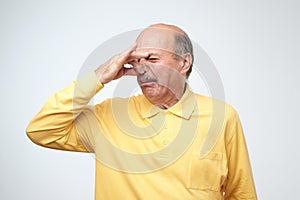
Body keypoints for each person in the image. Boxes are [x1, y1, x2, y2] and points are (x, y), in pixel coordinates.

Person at [26, 23, 257, 199]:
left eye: (152, 58)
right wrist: (99, 77)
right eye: (136, 61)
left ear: (184, 63)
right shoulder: (109, 116)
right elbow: (41, 130)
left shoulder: (222, 117)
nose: (142, 69)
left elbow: (242, 194)